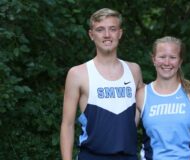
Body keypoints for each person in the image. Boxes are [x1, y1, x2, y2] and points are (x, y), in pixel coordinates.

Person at [60, 8, 143, 160]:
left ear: (120, 33)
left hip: (128, 156)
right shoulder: (78, 73)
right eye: (100, 29)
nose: (107, 35)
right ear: (91, 35)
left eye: (112, 29)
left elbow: (147, 108)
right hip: (91, 156)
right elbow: (67, 124)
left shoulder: (134, 70)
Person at [135, 36, 190, 160]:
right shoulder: (142, 95)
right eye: (162, 57)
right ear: (154, 59)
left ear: (180, 61)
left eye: (172, 57)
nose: (167, 62)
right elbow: (125, 133)